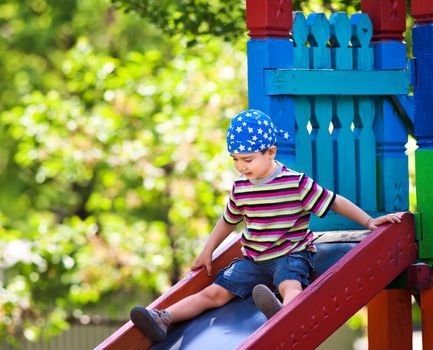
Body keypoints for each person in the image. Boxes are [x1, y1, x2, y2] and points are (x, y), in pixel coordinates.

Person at [130, 109, 401, 343]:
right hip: (255, 258)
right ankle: (164, 318)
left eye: (247, 159)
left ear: (270, 152)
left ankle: (285, 311)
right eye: (235, 159)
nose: (241, 166)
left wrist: (368, 221)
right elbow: (228, 220)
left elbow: (334, 202)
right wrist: (207, 250)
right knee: (214, 293)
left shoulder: (294, 183)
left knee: (290, 283)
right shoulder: (241, 187)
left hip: (291, 253)